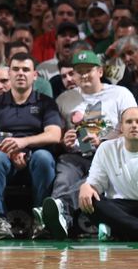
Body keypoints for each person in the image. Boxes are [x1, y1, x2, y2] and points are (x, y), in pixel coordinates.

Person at [43, 50, 137, 240]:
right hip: (75, 155)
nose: (84, 75)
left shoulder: (120, 94)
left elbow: (132, 124)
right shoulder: (64, 99)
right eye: (79, 71)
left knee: (87, 186)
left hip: (110, 154)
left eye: (89, 70)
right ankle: (59, 224)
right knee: (63, 179)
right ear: (74, 75)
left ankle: (59, 208)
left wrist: (103, 140)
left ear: (100, 71)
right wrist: (64, 141)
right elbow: (57, 132)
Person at [0, 52, 62, 239]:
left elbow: (55, 134)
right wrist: (10, 152)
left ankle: (41, 218)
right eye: (15, 69)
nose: (20, 73)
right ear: (9, 74)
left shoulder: (46, 103)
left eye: (26, 69)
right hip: (4, 158)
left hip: (35, 158)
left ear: (34, 75)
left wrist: (23, 143)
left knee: (43, 157)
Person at [79, 107, 138, 241]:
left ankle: (118, 230)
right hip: (119, 207)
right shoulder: (107, 148)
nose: (134, 125)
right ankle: (126, 229)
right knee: (91, 201)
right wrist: (87, 187)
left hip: (122, 216)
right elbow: (95, 183)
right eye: (129, 122)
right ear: (121, 128)